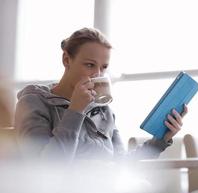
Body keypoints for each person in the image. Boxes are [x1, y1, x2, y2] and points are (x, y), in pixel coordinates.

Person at [15, 27, 188, 162]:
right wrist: (75, 111)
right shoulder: (33, 102)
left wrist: (161, 139)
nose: (97, 74)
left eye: (103, 67)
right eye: (90, 65)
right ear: (66, 60)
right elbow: (45, 168)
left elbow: (120, 164)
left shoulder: (103, 110)